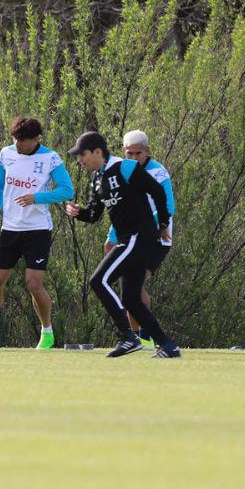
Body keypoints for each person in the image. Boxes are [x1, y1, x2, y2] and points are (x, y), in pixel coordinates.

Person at [64, 131, 179, 358]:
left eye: (83, 155)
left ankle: (128, 337)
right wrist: (78, 213)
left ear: (98, 152)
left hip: (139, 236)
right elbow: (95, 215)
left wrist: (164, 223)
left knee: (98, 280)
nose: (80, 160)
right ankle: (168, 346)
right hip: (128, 238)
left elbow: (157, 191)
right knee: (131, 299)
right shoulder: (98, 178)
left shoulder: (125, 167)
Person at [0, 116, 73, 349]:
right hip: (11, 229)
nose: (18, 144)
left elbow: (66, 190)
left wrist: (37, 197)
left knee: (33, 284)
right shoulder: (6, 154)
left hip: (38, 230)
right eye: (15, 139)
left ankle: (47, 332)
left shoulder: (51, 158)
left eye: (23, 141)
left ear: (36, 139)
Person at [103, 130, 175, 349]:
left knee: (136, 283)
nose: (134, 158)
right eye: (129, 153)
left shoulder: (158, 173)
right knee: (129, 287)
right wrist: (112, 236)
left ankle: (145, 336)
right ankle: (140, 336)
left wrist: (147, 228)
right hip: (132, 235)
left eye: (138, 153)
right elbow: (122, 210)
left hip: (157, 236)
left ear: (147, 151)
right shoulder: (123, 172)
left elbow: (168, 206)